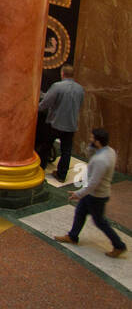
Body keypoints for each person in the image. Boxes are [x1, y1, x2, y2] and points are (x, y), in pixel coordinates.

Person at [53, 128, 127, 258]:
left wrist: (79, 194)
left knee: (100, 221)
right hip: (95, 195)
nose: (90, 139)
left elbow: (93, 183)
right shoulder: (110, 151)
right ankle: (72, 236)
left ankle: (119, 245)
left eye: (92, 138)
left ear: (98, 142)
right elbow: (90, 155)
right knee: (80, 213)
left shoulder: (101, 161)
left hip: (96, 196)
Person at [39, 65, 84, 182]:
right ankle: (61, 175)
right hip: (71, 125)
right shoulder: (80, 89)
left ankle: (40, 170)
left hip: (55, 123)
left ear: (62, 74)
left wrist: (35, 108)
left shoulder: (57, 86)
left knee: (46, 147)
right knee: (66, 151)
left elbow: (45, 103)